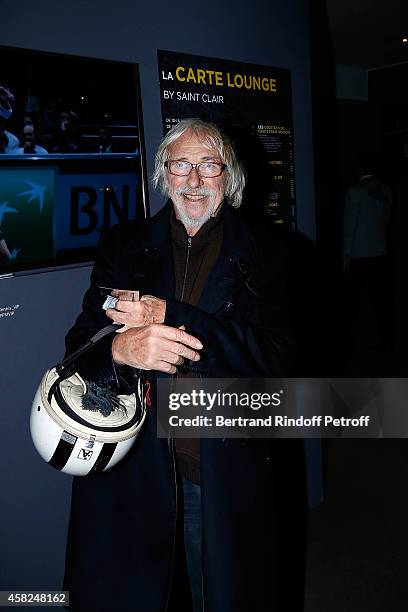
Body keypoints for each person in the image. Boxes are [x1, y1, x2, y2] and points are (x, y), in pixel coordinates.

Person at [63, 118, 302, 612]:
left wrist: (172, 317)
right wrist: (117, 350)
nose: (193, 180)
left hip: (215, 470)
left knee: (213, 590)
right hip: (132, 465)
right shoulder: (123, 245)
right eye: (181, 165)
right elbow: (79, 343)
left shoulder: (272, 256)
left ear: (229, 176)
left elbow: (279, 360)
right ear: (163, 174)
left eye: (208, 165)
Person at [343, 158, 393, 351]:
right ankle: (386, 341)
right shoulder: (386, 191)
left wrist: (345, 256)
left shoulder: (354, 192)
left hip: (359, 256)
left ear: (359, 168)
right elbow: (386, 221)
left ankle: (351, 343)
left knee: (354, 302)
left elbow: (349, 228)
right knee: (382, 301)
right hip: (381, 253)